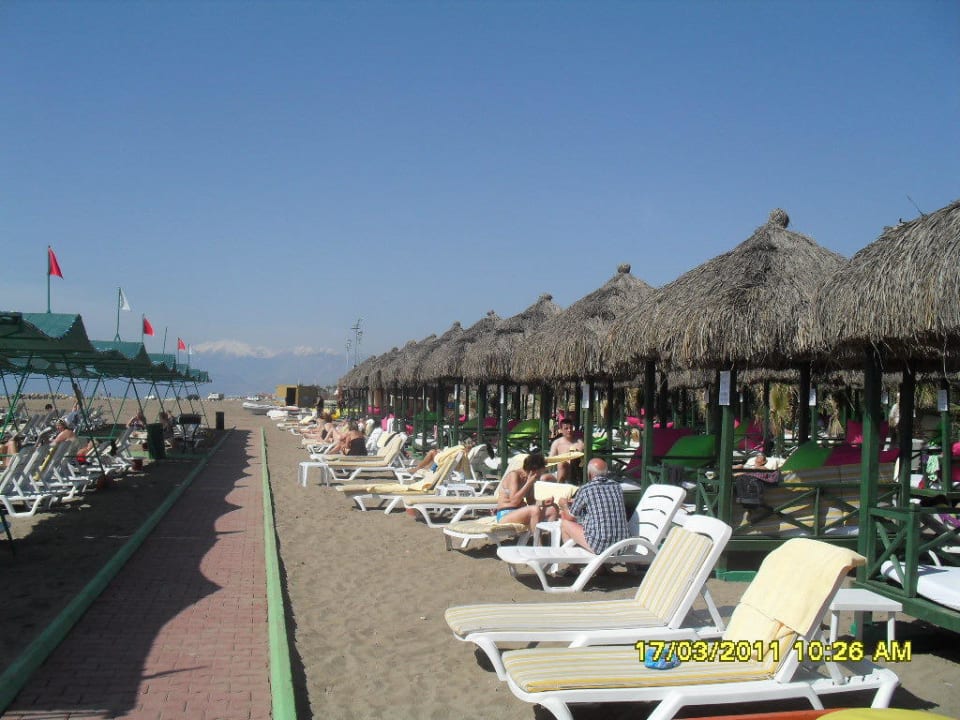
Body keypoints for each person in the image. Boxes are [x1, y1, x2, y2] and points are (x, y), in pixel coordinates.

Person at [557, 458, 628, 553]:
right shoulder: (617, 487)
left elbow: (570, 517)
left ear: (589, 474)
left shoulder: (585, 489)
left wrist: (564, 505)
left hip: (600, 546)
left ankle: (572, 561)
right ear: (606, 473)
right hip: (622, 545)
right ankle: (595, 563)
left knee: (565, 524)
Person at [494, 453, 558, 535]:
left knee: (552, 509)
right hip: (505, 514)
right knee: (534, 510)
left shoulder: (530, 479)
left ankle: (549, 540)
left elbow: (531, 502)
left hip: (520, 512)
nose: (539, 477)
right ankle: (537, 541)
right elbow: (514, 501)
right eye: (539, 474)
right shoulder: (514, 475)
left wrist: (543, 502)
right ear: (532, 471)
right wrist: (528, 483)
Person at [548, 417, 585, 482]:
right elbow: (551, 459)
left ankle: (561, 485)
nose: (569, 430)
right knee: (544, 478)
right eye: (566, 428)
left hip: (576, 473)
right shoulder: (557, 443)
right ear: (561, 430)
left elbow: (583, 461)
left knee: (563, 464)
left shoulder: (579, 442)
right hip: (559, 471)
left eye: (571, 428)